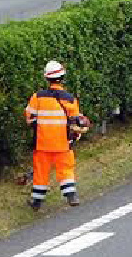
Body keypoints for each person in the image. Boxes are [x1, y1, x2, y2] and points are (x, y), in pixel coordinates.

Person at [25, 61, 90, 211]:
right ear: (62, 77)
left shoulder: (38, 97)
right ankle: (71, 195)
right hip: (63, 143)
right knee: (65, 169)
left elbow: (29, 118)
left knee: (41, 172)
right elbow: (76, 122)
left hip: (42, 143)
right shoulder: (69, 99)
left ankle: (37, 201)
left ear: (46, 78)